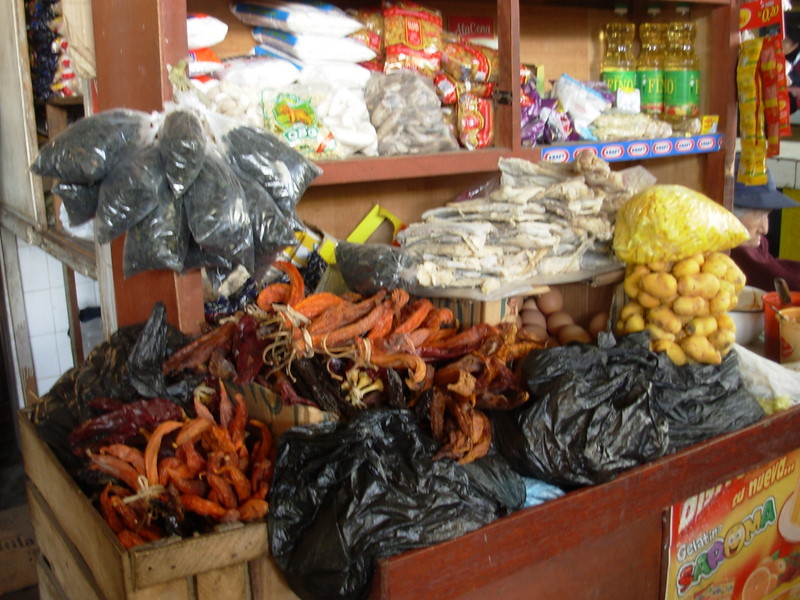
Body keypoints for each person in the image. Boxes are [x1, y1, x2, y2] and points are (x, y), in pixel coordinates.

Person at [729, 167, 800, 291]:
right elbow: (771, 275)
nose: (765, 229)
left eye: (767, 215)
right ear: (728, 213)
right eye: (759, 215)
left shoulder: (756, 243)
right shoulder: (736, 252)